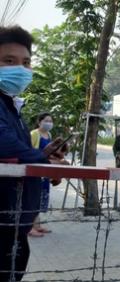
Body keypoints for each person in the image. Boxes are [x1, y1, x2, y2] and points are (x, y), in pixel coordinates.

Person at [0, 25, 68, 281]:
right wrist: (40, 158)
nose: (20, 69)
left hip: (15, 228)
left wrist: (44, 157)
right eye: (9, 61)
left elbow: (16, 149)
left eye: (26, 62)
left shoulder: (11, 105)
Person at [28, 113, 57, 237]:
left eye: (51, 121)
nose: (49, 123)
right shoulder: (34, 134)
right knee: (33, 198)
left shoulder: (49, 135)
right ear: (39, 121)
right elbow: (29, 150)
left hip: (45, 170)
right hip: (36, 169)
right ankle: (29, 227)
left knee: (41, 198)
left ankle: (37, 225)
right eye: (46, 120)